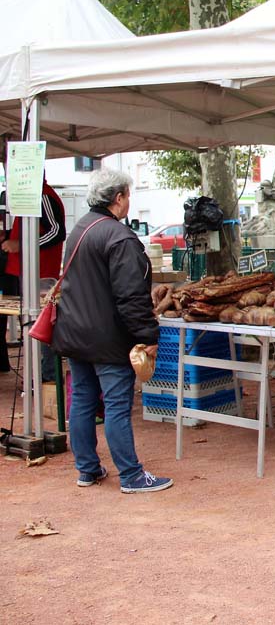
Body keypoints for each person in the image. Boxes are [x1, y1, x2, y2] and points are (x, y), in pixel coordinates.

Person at [52, 168, 172, 493]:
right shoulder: (119, 237)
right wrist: (147, 336)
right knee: (117, 405)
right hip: (107, 337)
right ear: (118, 198)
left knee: (83, 399)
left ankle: (87, 470)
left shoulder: (80, 229)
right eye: (128, 195)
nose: (129, 201)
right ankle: (131, 475)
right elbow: (131, 297)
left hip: (75, 332)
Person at [1, 176, 66, 381]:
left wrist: (21, 244)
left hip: (41, 272)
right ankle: (41, 373)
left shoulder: (43, 195)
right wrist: (9, 235)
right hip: (29, 269)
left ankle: (48, 374)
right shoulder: (31, 196)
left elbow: (57, 231)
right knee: (33, 322)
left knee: (42, 320)